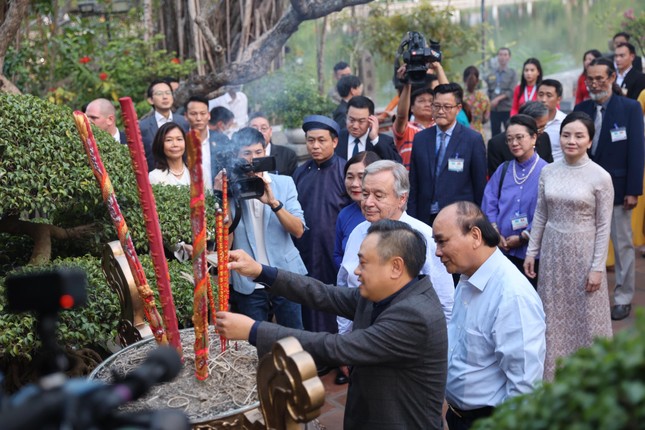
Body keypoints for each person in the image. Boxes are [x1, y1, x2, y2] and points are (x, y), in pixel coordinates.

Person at [216, 219, 448, 430]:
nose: (356, 272)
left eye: (364, 263)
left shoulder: (415, 315)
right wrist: (261, 271)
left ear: (396, 267)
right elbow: (324, 294)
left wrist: (253, 330)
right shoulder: (383, 293)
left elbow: (336, 347)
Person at [433, 201, 545, 430]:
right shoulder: (466, 277)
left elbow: (525, 390)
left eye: (442, 241)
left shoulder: (512, 297)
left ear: (475, 236)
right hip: (459, 416)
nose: (437, 251)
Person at [524, 111, 614, 380]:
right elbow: (541, 213)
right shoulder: (548, 171)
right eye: (566, 135)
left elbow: (603, 226)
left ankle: (594, 377)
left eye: (578, 136)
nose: (571, 141)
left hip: (584, 253)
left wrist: (597, 267)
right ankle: (553, 376)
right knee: (553, 316)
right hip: (552, 254)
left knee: (587, 317)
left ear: (589, 141)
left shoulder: (600, 176)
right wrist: (532, 251)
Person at [337, 160, 455, 328]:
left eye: (378, 196)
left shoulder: (424, 237)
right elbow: (344, 287)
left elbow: (445, 302)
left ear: (402, 198)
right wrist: (345, 334)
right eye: (365, 194)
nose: (368, 202)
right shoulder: (357, 233)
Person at [574, 58, 645, 321]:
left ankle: (624, 297)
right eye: (589, 79)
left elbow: (637, 151)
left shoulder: (630, 108)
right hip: (584, 191)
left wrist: (633, 190)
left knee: (623, 243)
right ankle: (589, 295)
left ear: (612, 78)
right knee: (586, 245)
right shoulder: (581, 108)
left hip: (619, 188)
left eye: (599, 78)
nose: (594, 84)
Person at [225, 127, 306, 329]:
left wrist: (273, 202)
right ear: (236, 156)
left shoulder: (284, 183)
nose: (253, 159)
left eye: (258, 153)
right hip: (248, 280)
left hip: (284, 274)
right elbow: (225, 242)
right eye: (247, 153)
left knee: (295, 335)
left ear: (266, 152)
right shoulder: (230, 189)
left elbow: (298, 230)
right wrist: (224, 195)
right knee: (256, 343)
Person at [292, 115, 351, 337]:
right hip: (305, 250)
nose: (315, 146)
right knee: (307, 300)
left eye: (321, 140)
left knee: (334, 301)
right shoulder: (300, 172)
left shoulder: (345, 171)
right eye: (310, 140)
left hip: (333, 252)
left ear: (334, 142)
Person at [482, 115, 548, 288]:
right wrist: (495, 231)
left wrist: (524, 235)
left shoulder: (547, 172)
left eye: (520, 137)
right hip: (502, 249)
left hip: (533, 253)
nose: (514, 143)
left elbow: (548, 211)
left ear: (533, 137)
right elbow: (489, 202)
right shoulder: (504, 169)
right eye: (509, 139)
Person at [408, 83, 487, 226]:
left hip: (459, 218)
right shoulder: (421, 139)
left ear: (458, 109)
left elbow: (480, 186)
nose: (440, 111)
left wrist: (477, 221)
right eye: (436, 106)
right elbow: (413, 184)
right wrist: (412, 221)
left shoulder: (472, 140)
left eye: (447, 107)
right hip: (425, 217)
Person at [393, 62, 448, 170]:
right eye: (421, 101)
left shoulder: (442, 128)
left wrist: (438, 68)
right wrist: (407, 83)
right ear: (411, 107)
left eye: (431, 101)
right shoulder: (407, 129)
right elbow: (401, 115)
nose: (427, 104)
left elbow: (448, 99)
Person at [333, 150, 381, 269]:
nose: (354, 184)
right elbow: (338, 254)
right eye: (350, 177)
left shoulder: (386, 212)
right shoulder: (344, 215)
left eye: (361, 177)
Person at [487, 101, 553, 176]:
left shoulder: (544, 137)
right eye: (538, 128)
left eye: (543, 126)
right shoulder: (496, 144)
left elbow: (549, 169)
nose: (541, 131)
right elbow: (495, 180)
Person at [139, 79, 190, 171]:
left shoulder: (185, 122)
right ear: (150, 100)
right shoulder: (142, 127)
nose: (165, 97)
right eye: (159, 94)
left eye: (168, 93)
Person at [335, 96, 401, 162]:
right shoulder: (336, 138)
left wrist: (375, 139)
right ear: (346, 116)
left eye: (361, 121)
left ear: (371, 119)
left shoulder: (383, 141)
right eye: (351, 120)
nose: (355, 126)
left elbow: (397, 164)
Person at [184, 96, 218, 191]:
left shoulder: (221, 139)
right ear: (186, 116)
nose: (198, 118)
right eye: (193, 114)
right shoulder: (181, 141)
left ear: (209, 115)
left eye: (203, 113)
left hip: (218, 198)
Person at [248, 112, 298, 176]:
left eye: (263, 128)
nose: (259, 132)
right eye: (254, 129)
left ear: (270, 131)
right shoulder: (242, 157)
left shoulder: (287, 155)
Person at [485, 47, 517, 136]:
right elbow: (489, 90)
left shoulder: (512, 73)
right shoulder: (491, 73)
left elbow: (511, 91)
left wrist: (498, 99)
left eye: (505, 55)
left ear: (509, 57)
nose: (502, 57)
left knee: (510, 133)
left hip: (506, 108)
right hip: (494, 109)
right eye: (500, 55)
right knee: (495, 134)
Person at [538, 79, 567, 162]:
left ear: (558, 100)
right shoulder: (529, 120)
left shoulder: (565, 122)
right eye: (540, 94)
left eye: (549, 95)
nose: (543, 100)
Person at [463, 66, 490, 137]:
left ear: (464, 79)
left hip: (462, 134)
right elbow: (486, 118)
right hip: (479, 134)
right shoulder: (484, 98)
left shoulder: (459, 97)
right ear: (477, 81)